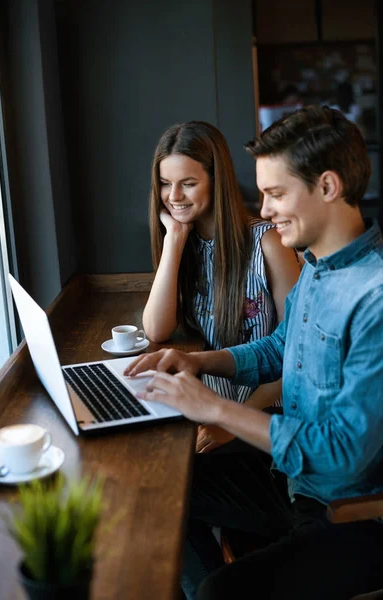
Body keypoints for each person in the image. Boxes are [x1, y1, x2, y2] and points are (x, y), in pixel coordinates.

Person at [125, 105, 383, 599]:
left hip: (346, 511)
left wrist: (219, 409)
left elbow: (343, 457)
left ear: (327, 187)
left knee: (219, 594)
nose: (263, 210)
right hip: (288, 479)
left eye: (276, 194)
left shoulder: (372, 298)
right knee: (161, 492)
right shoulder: (317, 266)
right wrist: (200, 362)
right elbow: (279, 349)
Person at [144, 121, 300, 452]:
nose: (173, 197)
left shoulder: (268, 243)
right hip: (208, 413)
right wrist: (173, 240)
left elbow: (295, 357)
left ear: (216, 182)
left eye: (188, 184)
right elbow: (156, 329)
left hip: (264, 421)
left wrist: (231, 421)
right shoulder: (185, 241)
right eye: (164, 184)